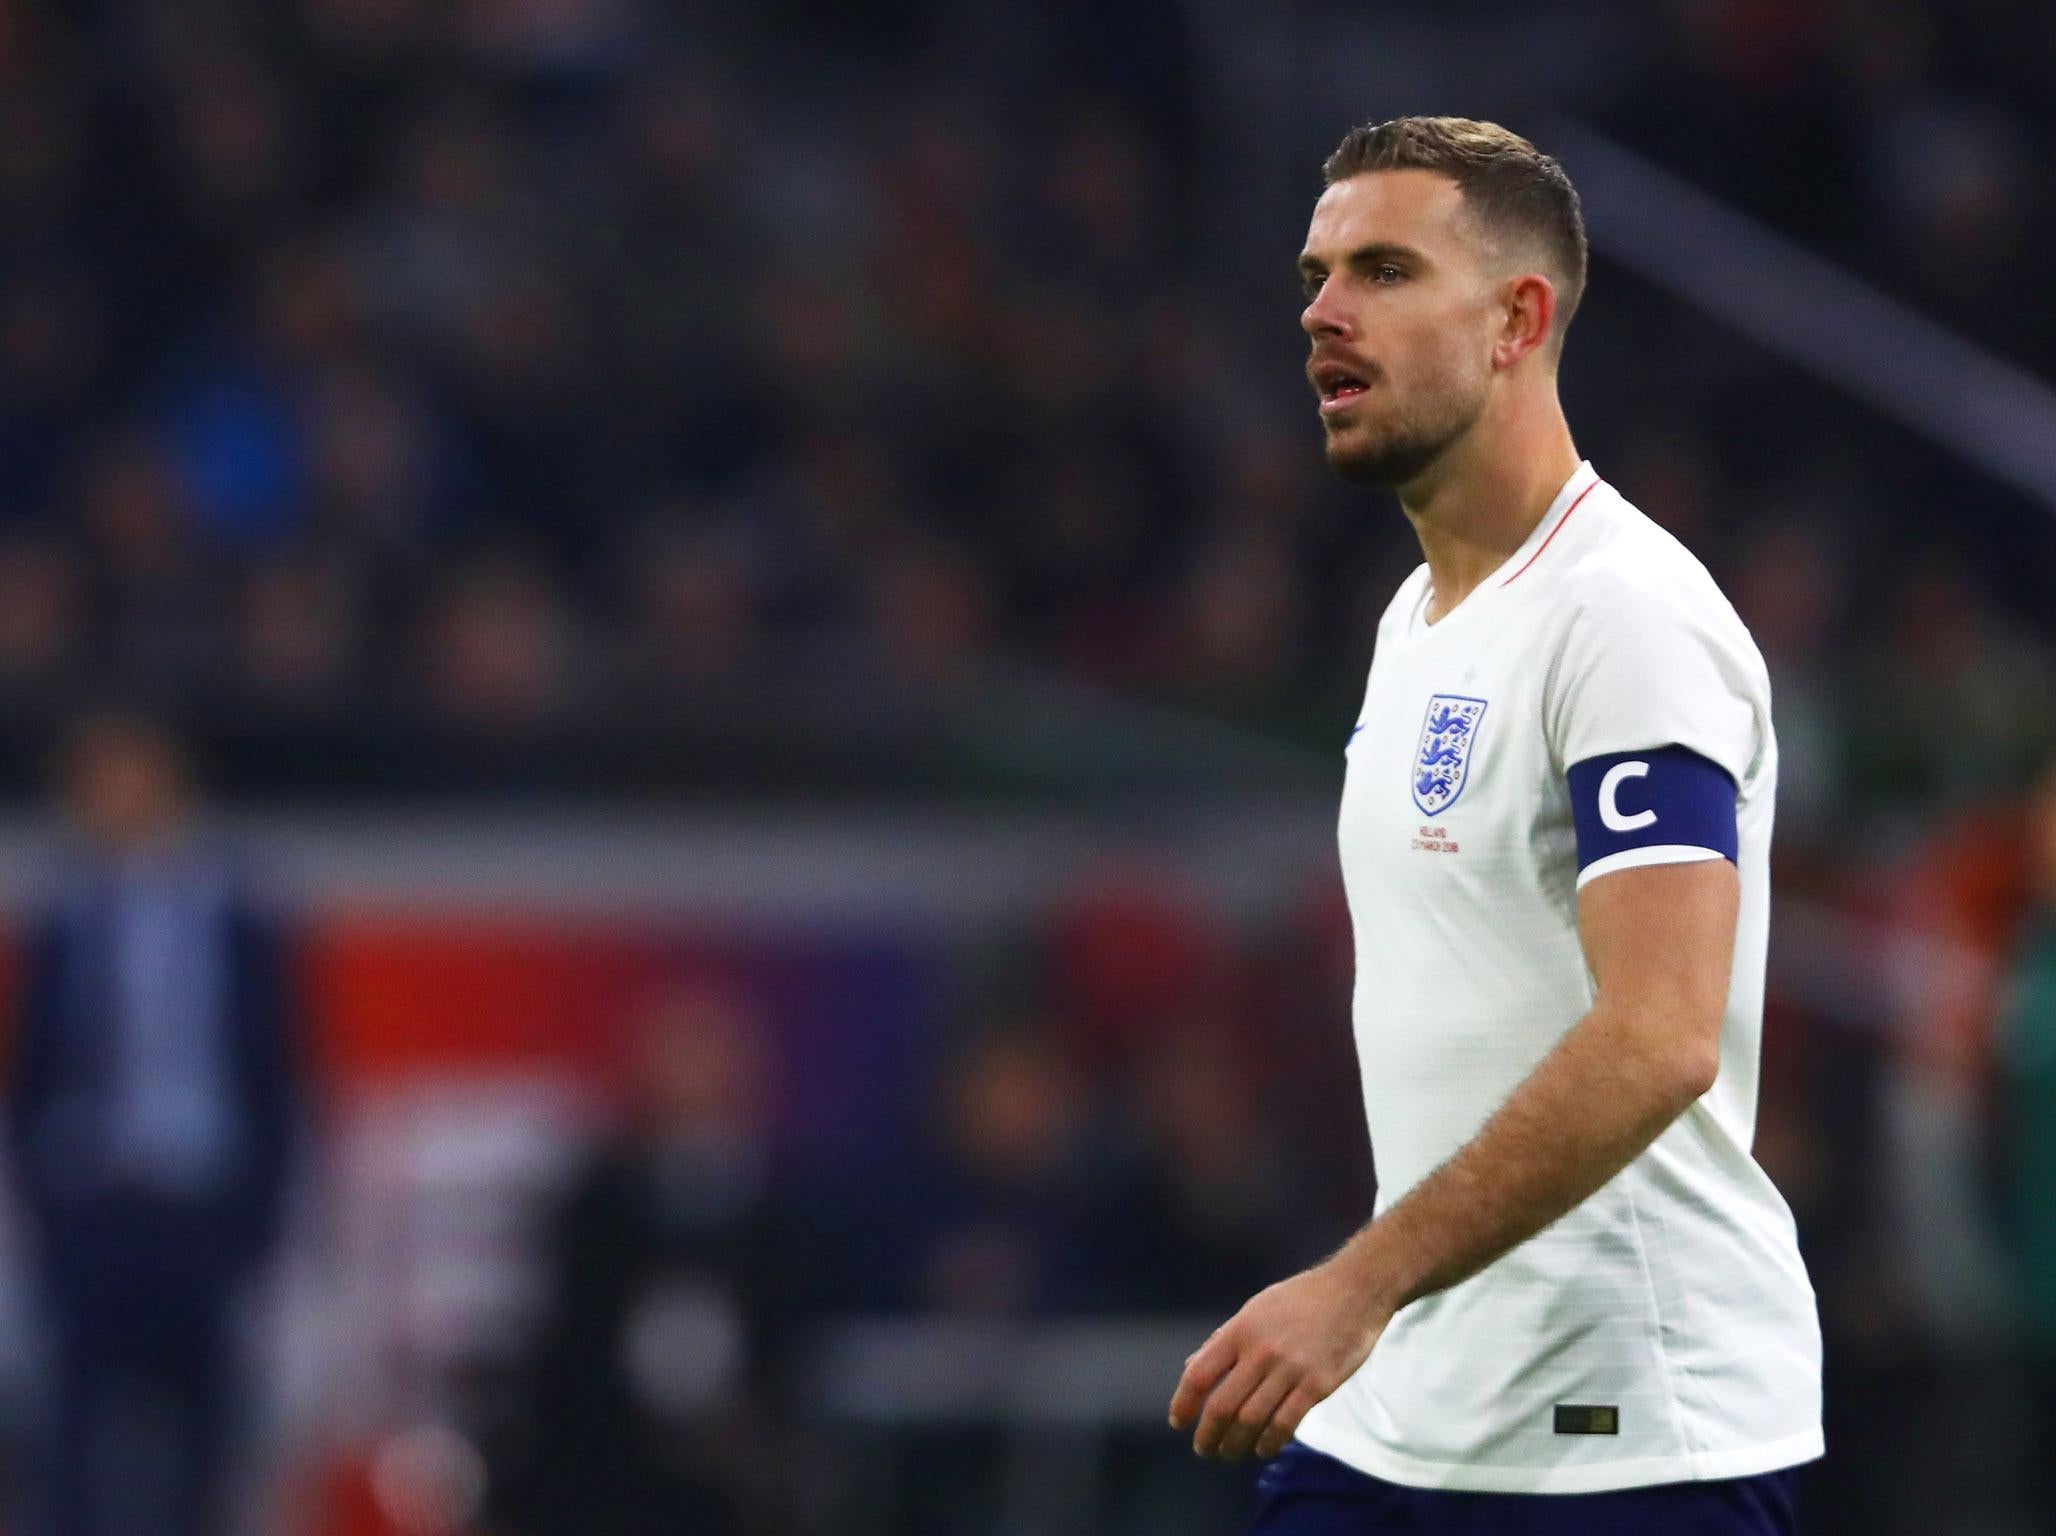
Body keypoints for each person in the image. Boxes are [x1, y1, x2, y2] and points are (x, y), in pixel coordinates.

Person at [1166, 117, 1823, 1534]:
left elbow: (1657, 1036)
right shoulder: (1416, 618)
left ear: (1519, 319)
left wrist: (1353, 1284)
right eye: (1317, 270)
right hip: (1410, 1416)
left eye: (1385, 270)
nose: (1323, 313)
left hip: (1624, 1439)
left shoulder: (1626, 617)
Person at [6, 708, 305, 1536]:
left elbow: (276, 1074)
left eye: (125, 777)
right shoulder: (67, 920)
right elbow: (35, 1074)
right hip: (94, 1211)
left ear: (171, 784)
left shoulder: (238, 915)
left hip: (202, 1211)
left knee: (206, 1453)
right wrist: (48, 1202)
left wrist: (258, 1219)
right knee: (71, 1459)